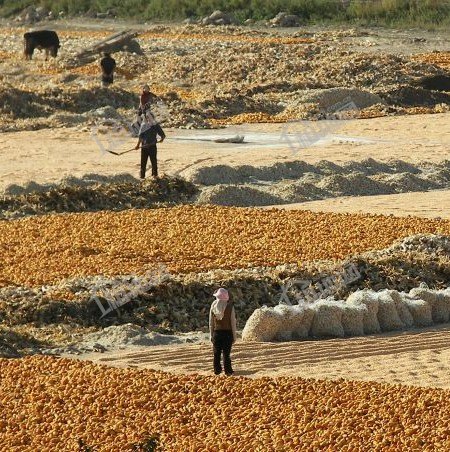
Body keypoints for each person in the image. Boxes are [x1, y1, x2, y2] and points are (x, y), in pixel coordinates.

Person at [209, 288, 237, 376]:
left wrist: (211, 335)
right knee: (226, 353)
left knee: (216, 353)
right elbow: (233, 322)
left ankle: (217, 370)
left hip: (217, 333)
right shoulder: (230, 307)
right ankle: (228, 371)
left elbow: (211, 323)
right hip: (227, 333)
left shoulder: (213, 306)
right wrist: (234, 336)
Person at [135, 110, 165, 179]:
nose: (150, 119)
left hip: (152, 146)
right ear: (146, 118)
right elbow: (140, 137)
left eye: (151, 118)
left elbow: (162, 135)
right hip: (144, 147)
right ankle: (142, 176)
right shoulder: (143, 125)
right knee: (143, 162)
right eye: (148, 118)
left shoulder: (156, 126)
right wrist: (138, 145)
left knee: (153, 161)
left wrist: (161, 139)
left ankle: (154, 175)